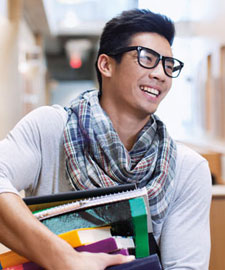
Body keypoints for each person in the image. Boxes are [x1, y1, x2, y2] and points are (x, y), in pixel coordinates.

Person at [0, 8, 211, 270]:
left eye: (169, 65)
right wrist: (66, 259)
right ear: (106, 64)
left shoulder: (187, 169)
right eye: (147, 58)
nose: (161, 74)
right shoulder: (49, 129)